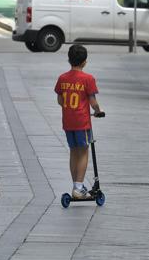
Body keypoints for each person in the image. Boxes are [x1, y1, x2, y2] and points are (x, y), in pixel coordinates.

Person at [54, 44, 102, 199]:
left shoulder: (62, 78)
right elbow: (92, 100)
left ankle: (76, 185)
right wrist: (97, 111)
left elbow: (60, 100)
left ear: (69, 60)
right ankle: (79, 187)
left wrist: (69, 109)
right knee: (83, 152)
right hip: (82, 122)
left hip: (68, 122)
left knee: (73, 152)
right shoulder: (88, 79)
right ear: (84, 62)